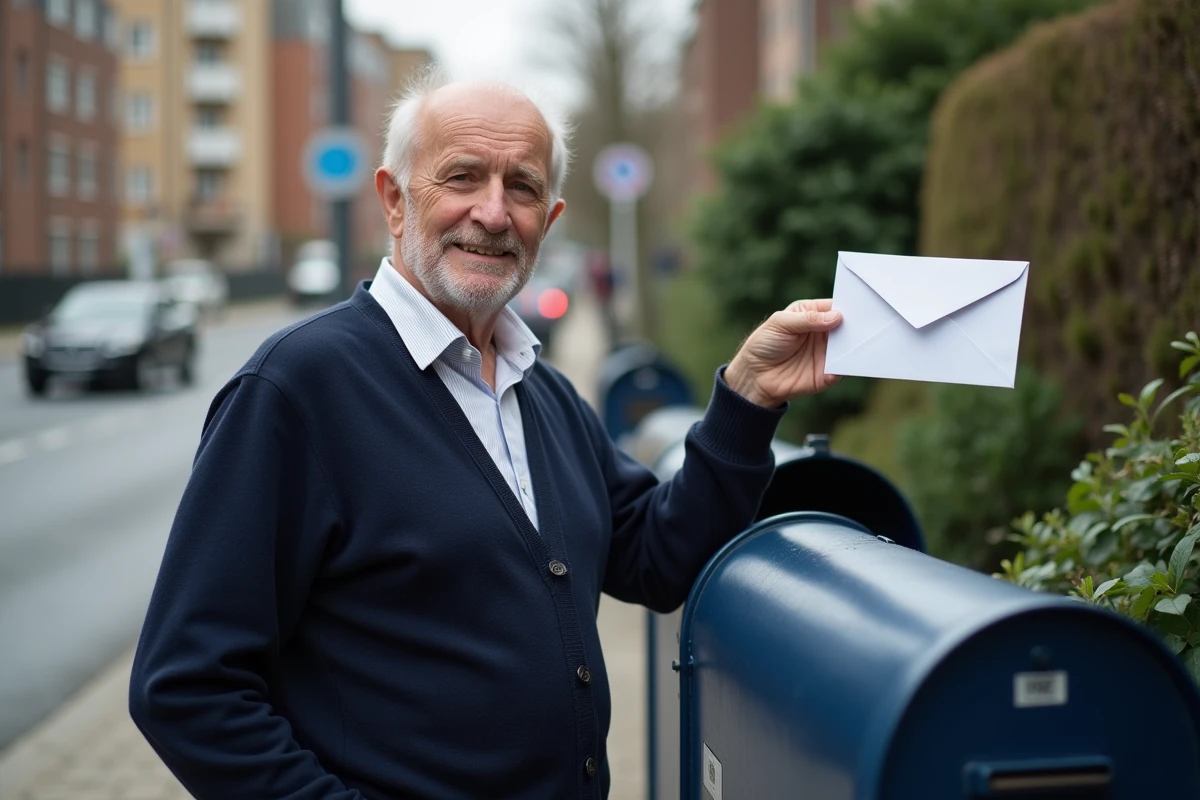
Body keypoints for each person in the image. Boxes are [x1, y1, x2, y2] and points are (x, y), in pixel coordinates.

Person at [128, 72, 843, 800]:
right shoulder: (297, 389)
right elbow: (187, 687)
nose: (494, 213)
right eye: (462, 176)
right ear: (394, 198)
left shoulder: (545, 391)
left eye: (523, 187)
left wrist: (747, 400)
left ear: (551, 216)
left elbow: (657, 558)